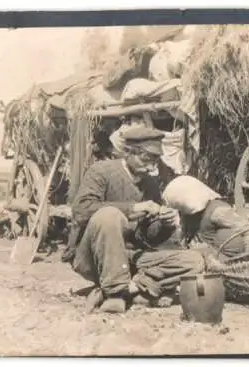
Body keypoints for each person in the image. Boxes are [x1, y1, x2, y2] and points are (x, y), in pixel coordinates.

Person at [62, 126, 205, 313]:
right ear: (127, 153)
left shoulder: (150, 184)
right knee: (109, 215)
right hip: (94, 255)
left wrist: (164, 223)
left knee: (194, 261)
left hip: (129, 259)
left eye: (155, 160)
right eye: (146, 159)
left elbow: (148, 237)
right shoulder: (101, 172)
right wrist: (132, 209)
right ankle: (115, 294)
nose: (152, 167)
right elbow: (81, 211)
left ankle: (131, 288)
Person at [162, 175, 249, 263]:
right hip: (202, 256)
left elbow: (248, 229)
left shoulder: (217, 212)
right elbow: (184, 237)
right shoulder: (187, 215)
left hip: (227, 259)